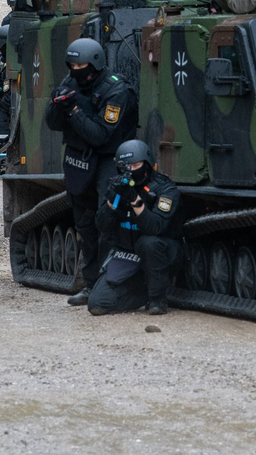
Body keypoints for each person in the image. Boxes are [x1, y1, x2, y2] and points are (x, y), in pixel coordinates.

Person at [44, 38, 138, 306]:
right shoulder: (71, 81)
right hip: (77, 159)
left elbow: (99, 135)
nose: (75, 70)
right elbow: (52, 124)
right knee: (84, 222)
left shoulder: (116, 91)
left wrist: (73, 110)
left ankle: (108, 284)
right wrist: (56, 104)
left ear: (95, 63)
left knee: (106, 220)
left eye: (80, 65)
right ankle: (89, 282)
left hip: (108, 160)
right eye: (71, 65)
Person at [88, 140, 183, 316]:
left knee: (149, 243)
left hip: (161, 255)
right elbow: (102, 226)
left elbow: (154, 227)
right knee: (97, 303)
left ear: (146, 164)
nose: (131, 171)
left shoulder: (164, 188)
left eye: (136, 165)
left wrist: (134, 200)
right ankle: (143, 294)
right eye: (126, 166)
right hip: (128, 255)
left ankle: (157, 299)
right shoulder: (118, 188)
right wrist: (112, 200)